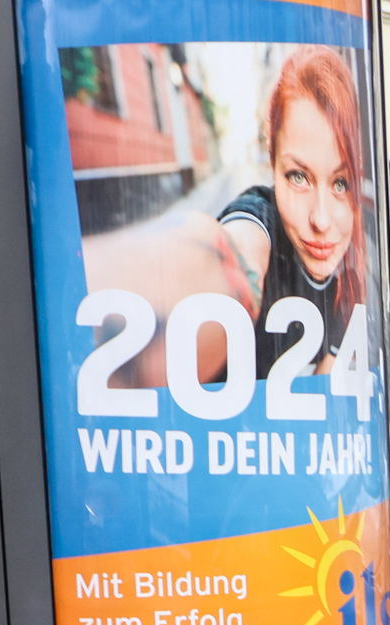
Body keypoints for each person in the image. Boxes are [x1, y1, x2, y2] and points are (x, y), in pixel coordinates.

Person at [81, 45, 369, 386]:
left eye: (341, 183)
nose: (321, 220)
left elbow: (328, 384)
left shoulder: (355, 265)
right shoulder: (259, 220)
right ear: (272, 167)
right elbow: (228, 253)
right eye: (298, 176)